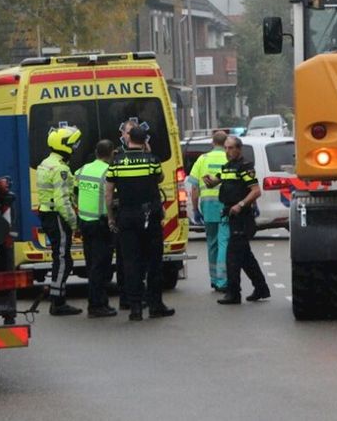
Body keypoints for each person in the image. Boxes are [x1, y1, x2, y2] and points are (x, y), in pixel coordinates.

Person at [105, 125, 175, 321]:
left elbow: (108, 194)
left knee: (130, 262)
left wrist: (111, 217)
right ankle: (155, 305)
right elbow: (159, 178)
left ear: (128, 140)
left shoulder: (116, 162)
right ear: (145, 141)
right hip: (149, 216)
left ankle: (135, 307)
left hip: (126, 216)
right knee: (154, 261)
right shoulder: (152, 161)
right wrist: (149, 152)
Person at [206, 135, 270, 305]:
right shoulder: (227, 167)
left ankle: (234, 293)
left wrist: (240, 204)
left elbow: (256, 191)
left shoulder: (245, 167)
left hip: (242, 217)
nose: (227, 151)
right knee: (245, 257)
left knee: (232, 256)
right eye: (226, 148)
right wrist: (209, 182)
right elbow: (217, 181)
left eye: (231, 148)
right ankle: (261, 288)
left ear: (238, 149)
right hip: (230, 215)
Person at [37, 125, 84, 316]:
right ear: (64, 146)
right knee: (63, 259)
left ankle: (58, 297)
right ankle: (57, 302)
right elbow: (62, 201)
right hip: (56, 216)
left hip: (47, 213)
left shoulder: (46, 163)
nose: (74, 149)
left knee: (61, 257)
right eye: (73, 145)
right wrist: (75, 224)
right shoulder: (60, 169)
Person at [75, 140, 119, 318]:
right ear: (111, 153)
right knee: (100, 267)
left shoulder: (82, 170)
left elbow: (75, 192)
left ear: (95, 152)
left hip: (85, 222)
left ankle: (97, 302)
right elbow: (111, 199)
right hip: (100, 224)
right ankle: (97, 304)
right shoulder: (108, 172)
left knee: (91, 263)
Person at [188, 130, 230, 292]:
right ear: (225, 143)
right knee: (224, 242)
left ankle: (213, 278)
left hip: (208, 206)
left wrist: (195, 208)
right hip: (225, 205)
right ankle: (222, 280)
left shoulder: (202, 159)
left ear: (212, 143)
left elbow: (194, 188)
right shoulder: (228, 158)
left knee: (212, 243)